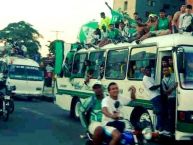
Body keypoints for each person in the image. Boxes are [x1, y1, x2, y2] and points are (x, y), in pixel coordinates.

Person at [142, 66, 163, 132]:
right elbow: (151, 88)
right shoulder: (145, 79)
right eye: (147, 70)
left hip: (157, 95)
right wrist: (160, 85)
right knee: (159, 112)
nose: (149, 71)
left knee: (159, 112)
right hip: (154, 97)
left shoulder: (150, 76)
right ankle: (158, 128)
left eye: (149, 70)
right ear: (145, 71)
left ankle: (158, 127)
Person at [162, 66, 178, 134]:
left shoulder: (175, 75)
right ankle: (172, 130)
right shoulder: (163, 80)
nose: (165, 72)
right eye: (164, 71)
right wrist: (173, 87)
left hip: (178, 97)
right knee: (171, 114)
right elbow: (166, 92)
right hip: (171, 99)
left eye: (167, 70)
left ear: (169, 70)